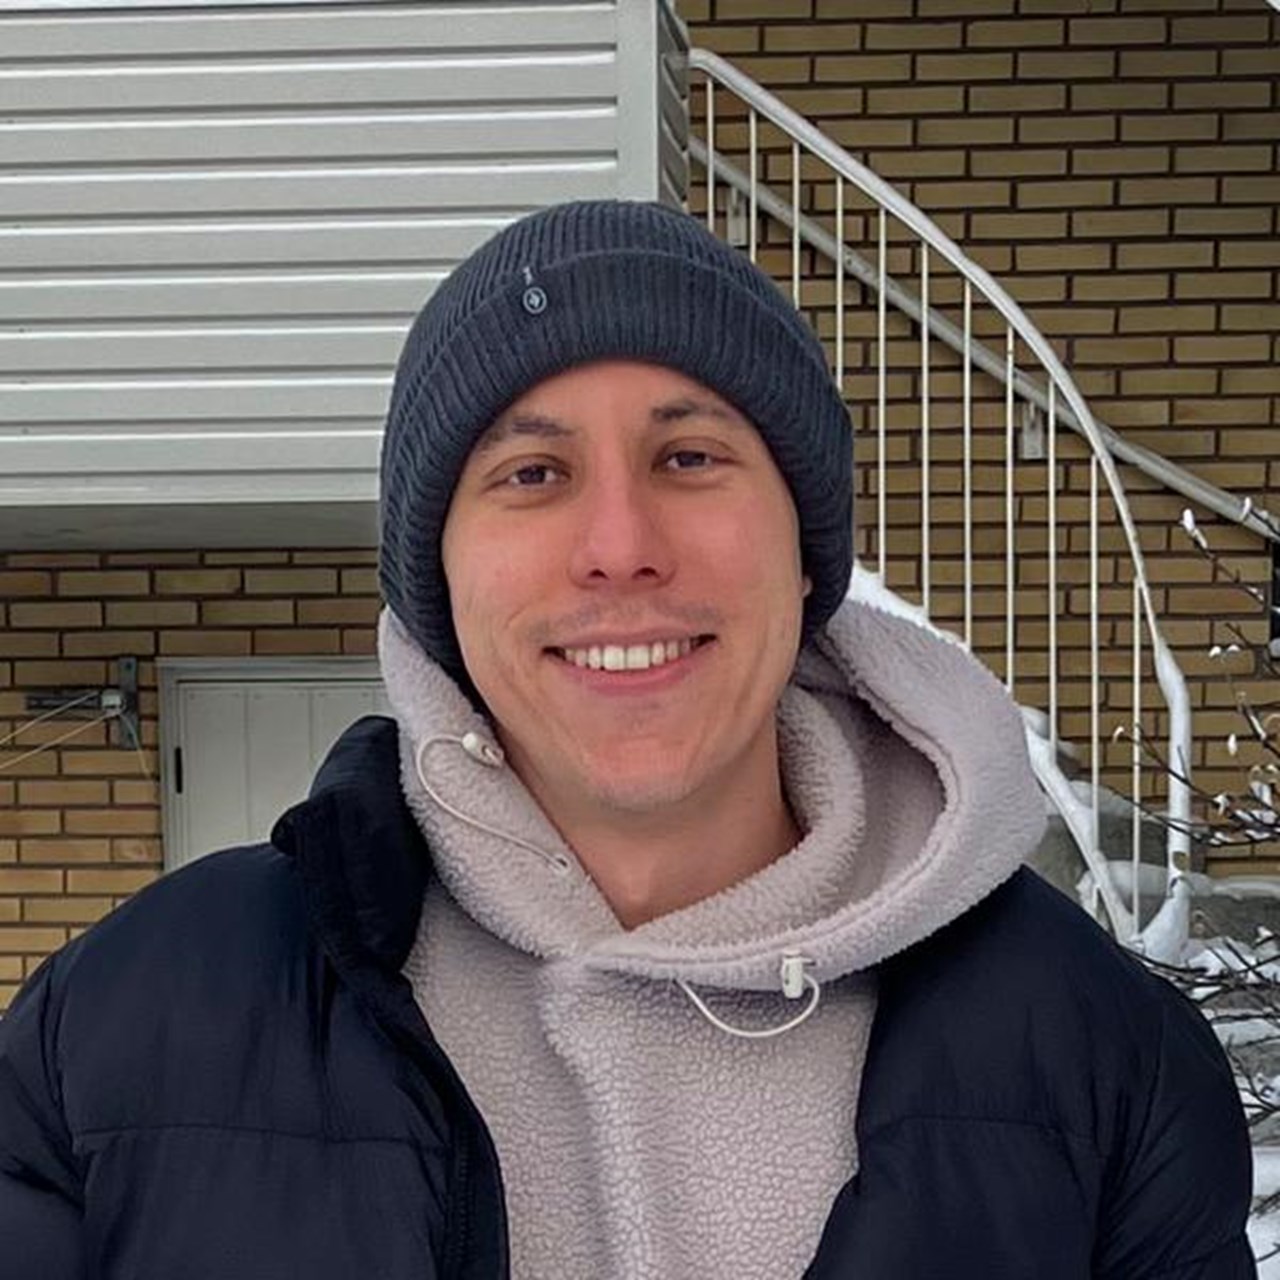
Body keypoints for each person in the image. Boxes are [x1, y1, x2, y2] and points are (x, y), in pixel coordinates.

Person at [0, 200, 1254, 1279]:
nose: (618, 545)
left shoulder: (1106, 1061)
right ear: (440, 577)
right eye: (531, 474)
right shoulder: (114, 1032)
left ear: (802, 550)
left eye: (688, 455)